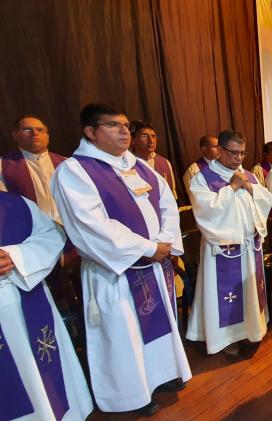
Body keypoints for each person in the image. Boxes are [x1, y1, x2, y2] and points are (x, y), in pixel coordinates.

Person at [51, 102, 190, 416]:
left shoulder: (138, 166)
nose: (124, 131)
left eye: (126, 125)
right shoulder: (75, 171)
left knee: (160, 326)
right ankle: (132, 394)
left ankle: (163, 375)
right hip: (116, 272)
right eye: (114, 125)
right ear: (91, 132)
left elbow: (167, 203)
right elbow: (93, 226)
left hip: (153, 264)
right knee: (124, 336)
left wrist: (164, 241)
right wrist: (147, 247)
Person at [0, 192, 94, 421]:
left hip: (27, 296)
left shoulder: (15, 203)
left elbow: (52, 234)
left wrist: (16, 257)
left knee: (43, 385)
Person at [186, 130, 272, 357]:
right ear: (220, 151)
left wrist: (251, 188)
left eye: (243, 153)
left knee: (248, 294)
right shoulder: (203, 178)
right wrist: (232, 188)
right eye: (234, 153)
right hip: (223, 252)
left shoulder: (247, 175)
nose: (239, 158)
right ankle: (224, 339)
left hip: (248, 247)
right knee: (225, 297)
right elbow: (205, 211)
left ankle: (250, 330)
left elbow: (267, 199)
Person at [0, 115, 66, 222]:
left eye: (40, 130)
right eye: (27, 130)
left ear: (48, 136)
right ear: (15, 135)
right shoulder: (2, 165)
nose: (35, 133)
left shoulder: (66, 164)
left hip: (69, 228)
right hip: (30, 231)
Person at [130, 120, 178, 199]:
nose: (151, 141)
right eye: (144, 136)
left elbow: (172, 193)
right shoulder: (127, 163)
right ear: (133, 140)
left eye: (153, 136)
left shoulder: (165, 163)